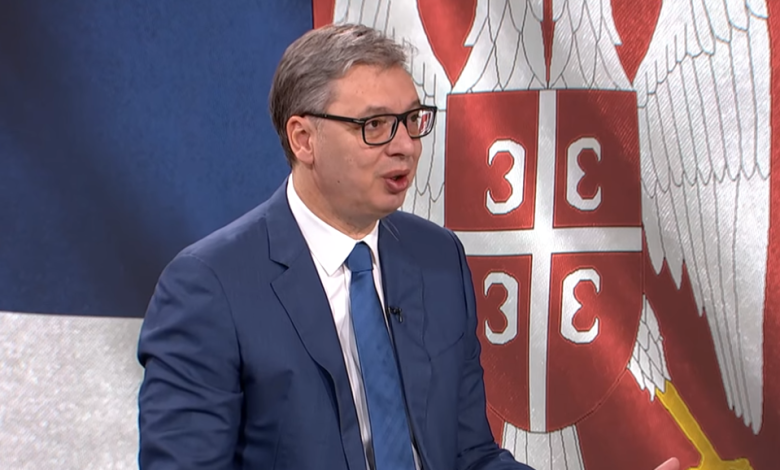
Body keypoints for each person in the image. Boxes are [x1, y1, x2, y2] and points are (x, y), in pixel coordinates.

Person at [136, 23, 679, 470]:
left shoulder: (437, 259)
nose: (405, 147)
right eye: (375, 125)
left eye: (412, 121)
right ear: (303, 139)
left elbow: (469, 457)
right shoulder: (210, 286)